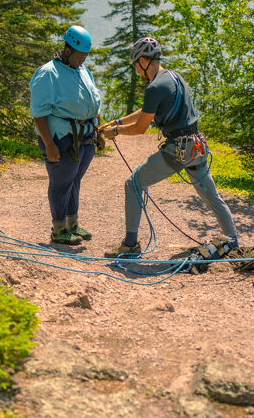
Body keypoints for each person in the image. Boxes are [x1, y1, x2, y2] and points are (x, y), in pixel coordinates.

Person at [101, 37, 238, 263]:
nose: (136, 70)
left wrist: (115, 131)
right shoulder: (173, 77)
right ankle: (232, 239)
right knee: (210, 195)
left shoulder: (154, 87)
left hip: (177, 150)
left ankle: (130, 245)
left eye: (136, 65)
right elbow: (146, 110)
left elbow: (140, 126)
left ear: (143, 61)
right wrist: (116, 122)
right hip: (196, 146)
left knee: (133, 183)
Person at [29, 25, 102, 245]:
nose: (83, 60)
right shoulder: (48, 73)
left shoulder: (82, 70)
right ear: (67, 49)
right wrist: (49, 143)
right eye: (80, 55)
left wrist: (98, 131)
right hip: (61, 138)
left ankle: (73, 224)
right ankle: (58, 228)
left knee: (74, 180)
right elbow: (38, 113)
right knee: (61, 182)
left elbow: (93, 102)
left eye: (85, 56)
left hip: (85, 136)